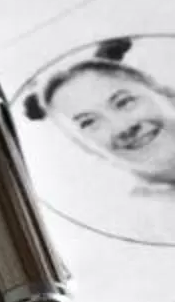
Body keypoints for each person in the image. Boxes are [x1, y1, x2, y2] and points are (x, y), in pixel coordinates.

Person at [25, 41, 175, 206]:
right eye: (89, 122)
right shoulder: (137, 215)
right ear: (84, 147)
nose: (122, 127)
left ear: (167, 94)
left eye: (124, 102)